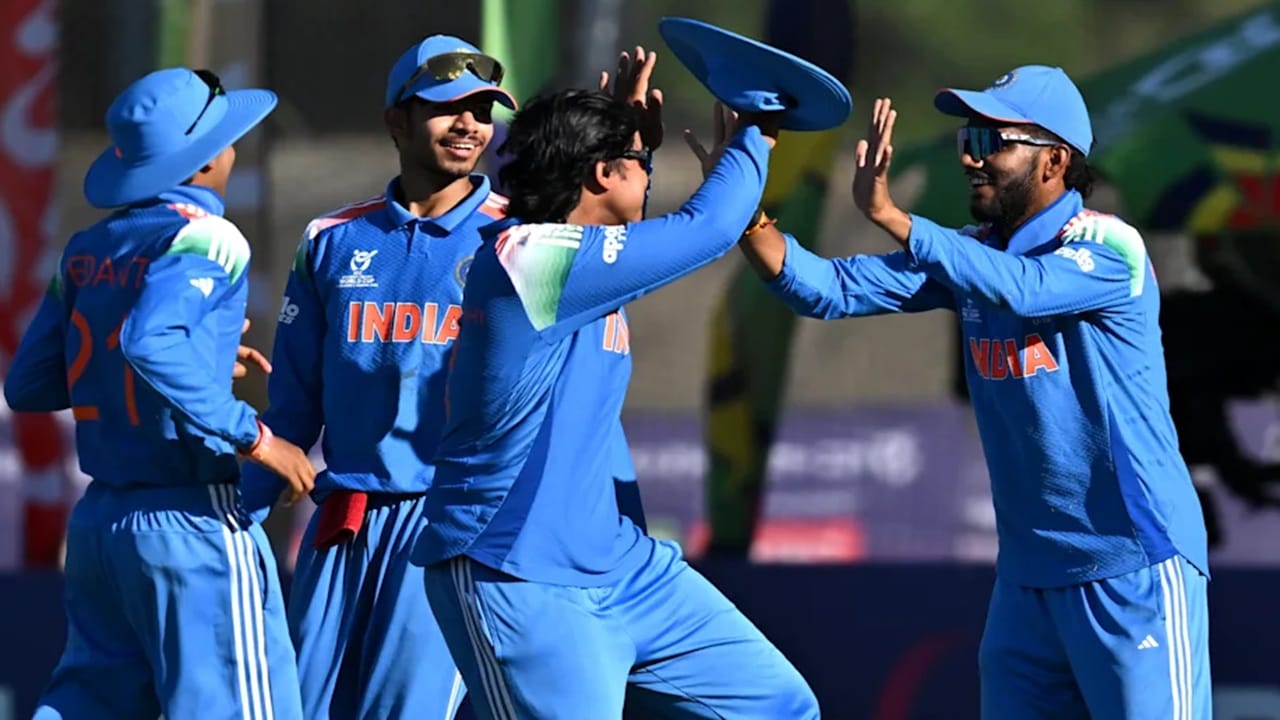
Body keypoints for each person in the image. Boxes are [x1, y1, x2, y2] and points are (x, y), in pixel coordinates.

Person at [728, 65, 1211, 718]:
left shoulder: (1108, 246)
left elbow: (1024, 290)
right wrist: (742, 206)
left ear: (1055, 161)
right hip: (1028, 581)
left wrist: (894, 217)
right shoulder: (969, 253)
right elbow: (826, 289)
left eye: (991, 141)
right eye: (967, 138)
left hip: (1132, 565)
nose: (968, 157)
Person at [240, 35, 653, 719]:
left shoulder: (525, 237)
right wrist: (233, 522)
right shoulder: (331, 239)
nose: (469, 125)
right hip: (341, 528)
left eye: (483, 111)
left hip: (452, 528)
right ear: (395, 120)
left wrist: (629, 152)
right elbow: (292, 409)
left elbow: (598, 352)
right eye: (446, 108)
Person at [407, 71, 820, 714]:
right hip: (516, 572)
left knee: (779, 706)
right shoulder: (532, 260)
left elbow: (663, 232)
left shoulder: (579, 261)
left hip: (625, 569)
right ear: (601, 173)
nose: (648, 175)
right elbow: (709, 227)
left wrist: (625, 139)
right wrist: (755, 134)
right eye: (639, 162)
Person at [4, 66, 315, 720]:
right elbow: (149, 343)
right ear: (204, 161)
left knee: (86, 706)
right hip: (192, 519)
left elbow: (30, 384)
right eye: (227, 138)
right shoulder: (208, 234)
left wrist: (196, 362)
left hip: (101, 526)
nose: (234, 149)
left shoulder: (87, 246)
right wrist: (258, 438)